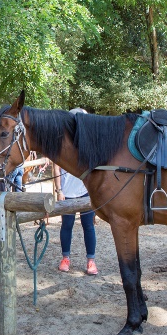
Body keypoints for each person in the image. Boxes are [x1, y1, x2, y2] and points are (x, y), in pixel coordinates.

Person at [53, 108, 98, 275]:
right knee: (67, 225)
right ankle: (65, 258)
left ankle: (91, 261)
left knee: (89, 226)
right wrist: (59, 190)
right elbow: (56, 169)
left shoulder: (89, 143)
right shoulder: (62, 143)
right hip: (68, 193)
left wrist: (94, 192)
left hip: (85, 193)